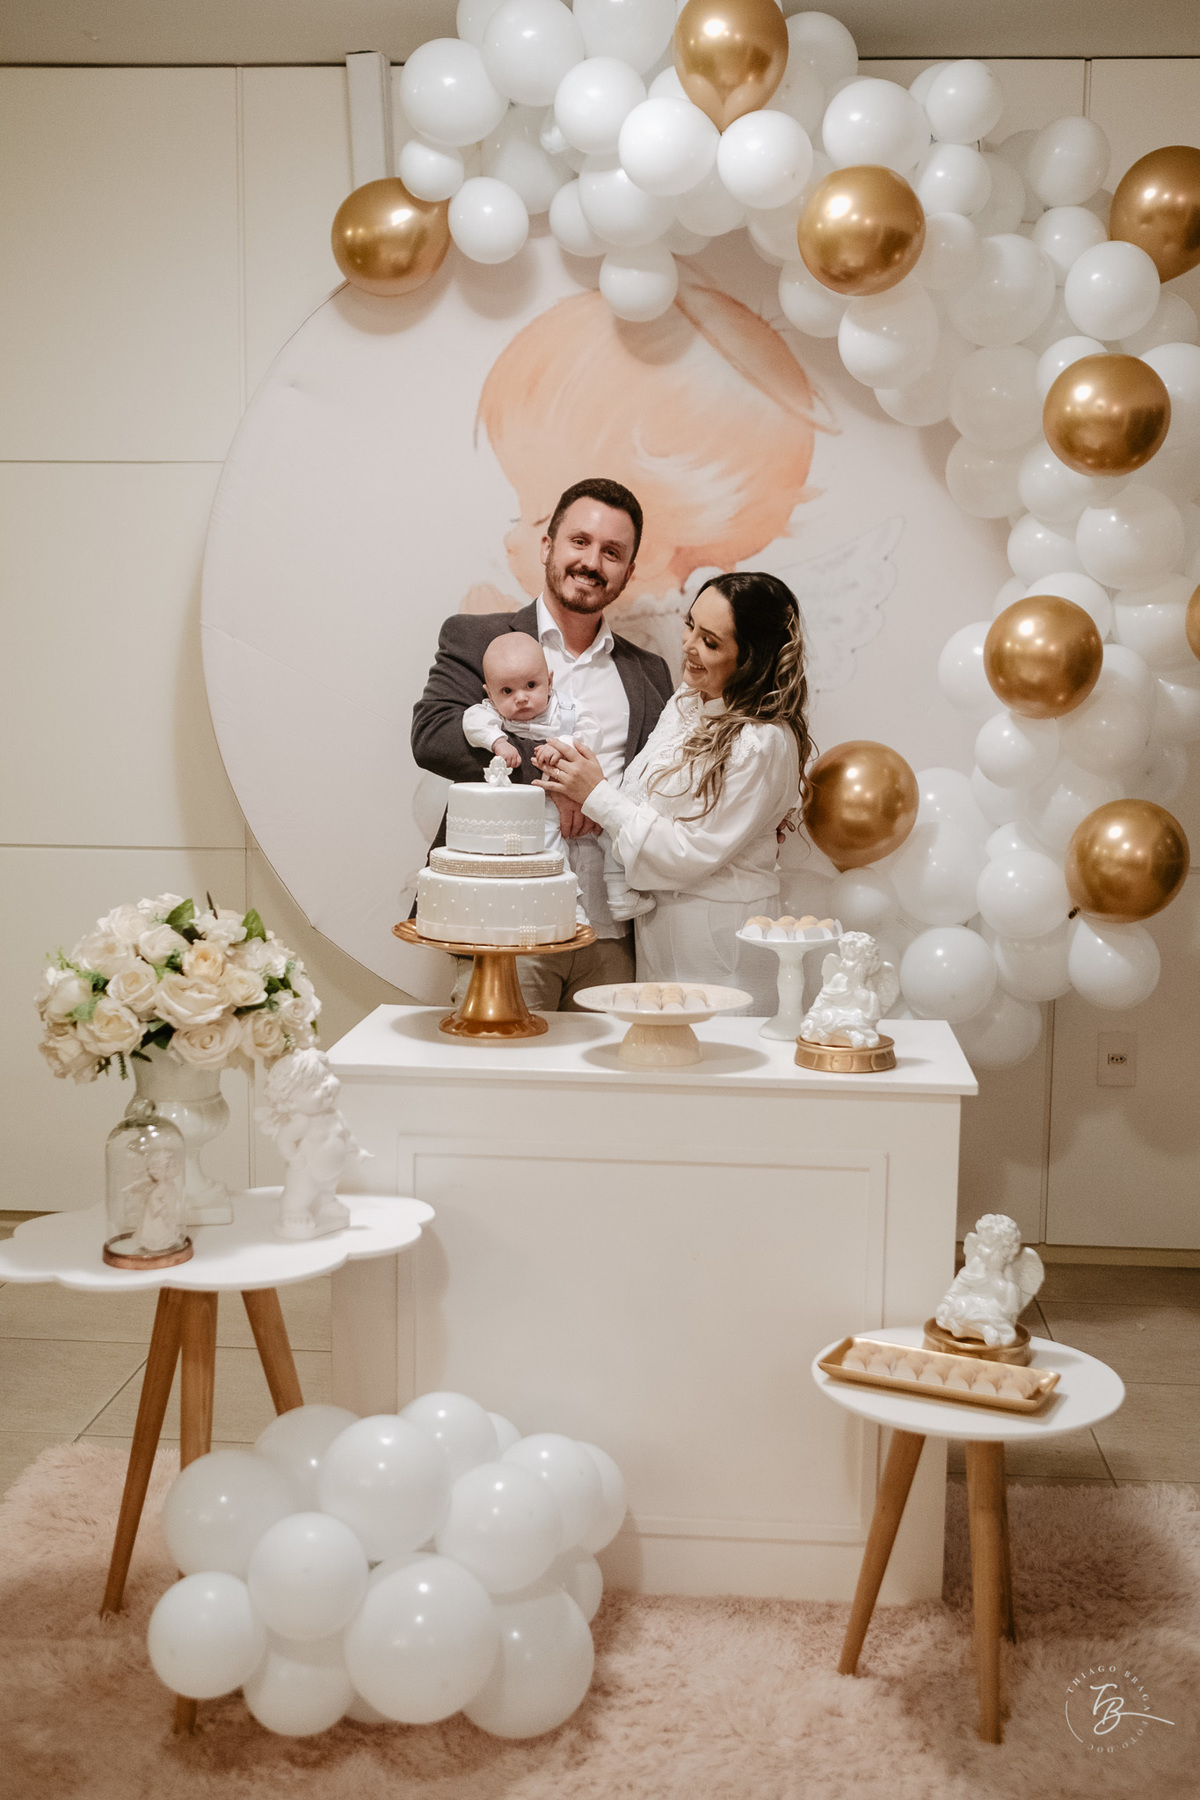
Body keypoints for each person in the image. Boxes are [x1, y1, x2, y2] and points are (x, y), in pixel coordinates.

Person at [411, 477, 674, 1008]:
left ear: (628, 570)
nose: (592, 562)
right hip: (505, 925)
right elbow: (433, 733)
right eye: (580, 542)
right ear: (548, 546)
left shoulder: (649, 673)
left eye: (612, 552)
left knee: (607, 1087)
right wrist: (559, 783)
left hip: (613, 933)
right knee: (499, 1081)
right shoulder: (477, 638)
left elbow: (662, 780)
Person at [535, 571, 814, 1014]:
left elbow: (689, 851)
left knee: (713, 1060)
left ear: (752, 659)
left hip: (719, 940)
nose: (688, 646)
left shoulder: (763, 742)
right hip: (659, 930)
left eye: (711, 642)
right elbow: (642, 795)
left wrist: (597, 795)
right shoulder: (688, 699)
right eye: (690, 626)